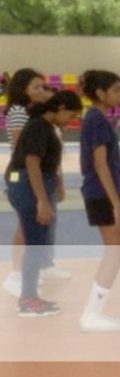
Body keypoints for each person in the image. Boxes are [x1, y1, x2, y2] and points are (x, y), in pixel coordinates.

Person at [5, 91, 83, 316]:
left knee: (37, 241)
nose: (71, 121)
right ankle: (28, 299)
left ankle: (30, 296)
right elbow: (32, 162)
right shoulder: (39, 126)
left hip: (32, 185)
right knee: (36, 242)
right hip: (27, 186)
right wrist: (41, 201)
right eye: (71, 115)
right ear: (60, 108)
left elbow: (47, 162)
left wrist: (56, 185)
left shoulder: (47, 127)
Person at [3, 68, 70, 299]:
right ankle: (15, 274)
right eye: (36, 87)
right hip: (23, 174)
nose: (41, 91)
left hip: (41, 173)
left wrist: (57, 181)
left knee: (43, 220)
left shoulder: (36, 113)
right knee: (26, 223)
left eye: (43, 87)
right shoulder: (20, 112)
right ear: (23, 90)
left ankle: (43, 264)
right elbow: (27, 150)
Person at [78, 70, 120, 332]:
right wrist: (116, 204)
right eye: (117, 89)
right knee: (115, 252)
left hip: (105, 192)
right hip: (102, 193)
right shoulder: (96, 120)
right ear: (100, 93)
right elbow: (100, 164)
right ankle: (92, 313)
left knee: (116, 252)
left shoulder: (98, 118)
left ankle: (94, 311)